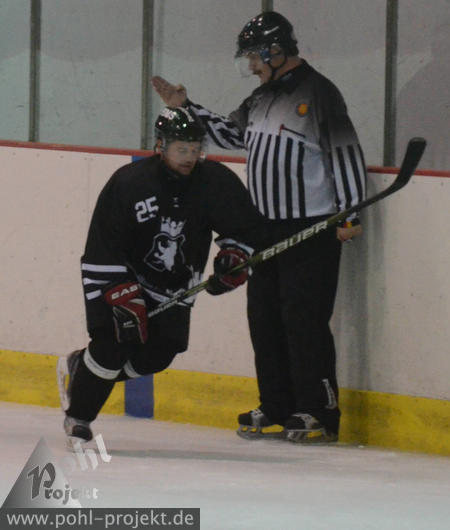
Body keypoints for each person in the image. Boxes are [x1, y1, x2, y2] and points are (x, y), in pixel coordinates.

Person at [151, 11, 367, 443]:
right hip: (264, 227)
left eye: (254, 56)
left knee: (303, 320)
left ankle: (317, 410)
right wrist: (185, 108)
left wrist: (349, 214)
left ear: (276, 50)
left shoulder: (319, 92)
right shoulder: (261, 97)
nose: (251, 66)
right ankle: (277, 404)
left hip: (310, 227)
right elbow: (232, 135)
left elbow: (344, 152)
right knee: (264, 318)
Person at [58, 107, 268, 447]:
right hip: (121, 280)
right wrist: (119, 292)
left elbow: (243, 230)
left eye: (195, 149)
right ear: (161, 146)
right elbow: (102, 244)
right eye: (181, 149)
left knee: (160, 353)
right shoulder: (130, 183)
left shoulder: (215, 182)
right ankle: (79, 417)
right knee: (112, 348)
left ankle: (83, 368)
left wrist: (234, 258)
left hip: (174, 285)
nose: (189, 157)